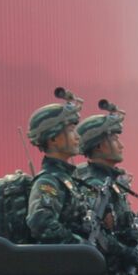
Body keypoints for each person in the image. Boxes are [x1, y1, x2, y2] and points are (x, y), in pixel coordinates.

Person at [77, 102, 138, 275]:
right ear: (99, 147)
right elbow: (98, 235)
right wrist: (125, 250)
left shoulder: (113, 184)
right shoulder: (94, 184)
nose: (121, 145)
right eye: (114, 140)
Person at [22, 93, 88, 244]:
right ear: (53, 139)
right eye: (71, 130)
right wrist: (81, 245)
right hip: (62, 265)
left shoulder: (66, 179)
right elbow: (41, 224)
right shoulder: (49, 181)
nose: (77, 137)